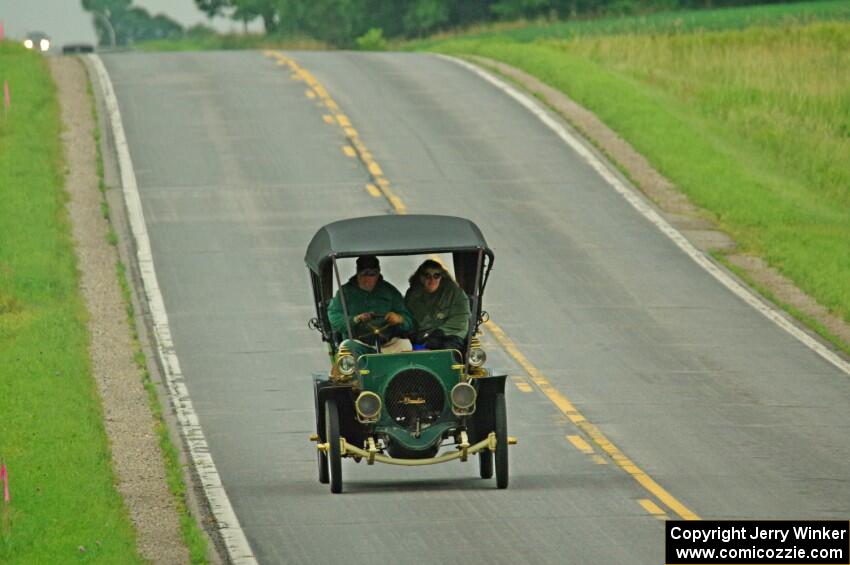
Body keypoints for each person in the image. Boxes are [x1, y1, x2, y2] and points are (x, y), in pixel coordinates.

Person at [327, 255, 413, 353]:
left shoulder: (390, 292)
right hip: (357, 344)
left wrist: (399, 319)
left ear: (378, 273)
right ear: (357, 273)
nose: (367, 279)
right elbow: (334, 317)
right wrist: (355, 319)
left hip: (387, 345)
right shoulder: (345, 292)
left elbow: (409, 320)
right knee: (347, 347)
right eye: (364, 274)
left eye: (372, 274)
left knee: (405, 345)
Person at [404, 259, 470, 351]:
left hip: (450, 335)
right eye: (427, 276)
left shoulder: (455, 294)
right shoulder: (413, 294)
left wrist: (438, 333)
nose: (432, 280)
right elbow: (408, 317)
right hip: (421, 336)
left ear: (441, 277)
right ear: (421, 277)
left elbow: (460, 320)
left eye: (436, 276)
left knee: (446, 352)